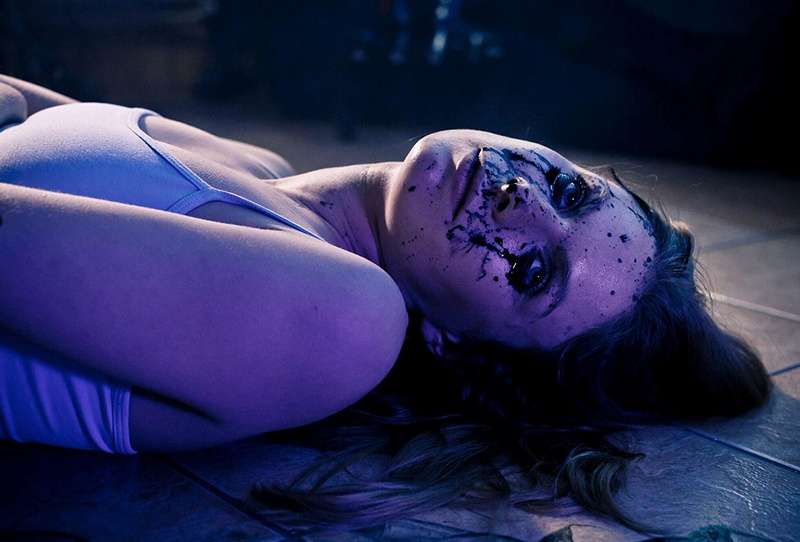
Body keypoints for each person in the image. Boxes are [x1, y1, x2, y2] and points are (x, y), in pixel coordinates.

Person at [0, 74, 771, 536]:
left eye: (534, 271)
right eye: (570, 191)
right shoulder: (260, 165)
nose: (521, 198)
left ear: (453, 342)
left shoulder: (345, 320)